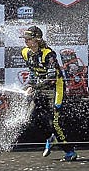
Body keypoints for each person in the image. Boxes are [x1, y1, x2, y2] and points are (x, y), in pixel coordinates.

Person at [20, 26, 77, 162]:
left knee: (55, 123)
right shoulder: (25, 53)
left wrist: (33, 87)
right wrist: (29, 85)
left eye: (29, 39)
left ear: (37, 40)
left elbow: (51, 79)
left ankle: (70, 152)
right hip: (41, 88)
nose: (26, 41)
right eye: (25, 39)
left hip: (55, 89)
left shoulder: (48, 54)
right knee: (30, 117)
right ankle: (50, 138)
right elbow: (33, 73)